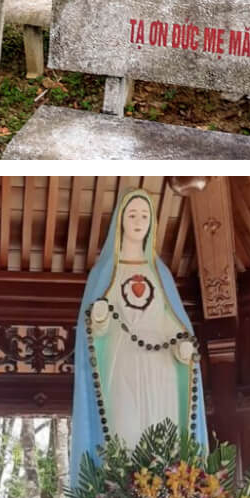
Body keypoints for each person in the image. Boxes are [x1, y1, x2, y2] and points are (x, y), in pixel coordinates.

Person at [71, 188, 206, 481]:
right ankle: (127, 497)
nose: (138, 221)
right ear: (120, 221)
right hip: (122, 362)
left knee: (163, 429)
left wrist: (182, 345)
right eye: (132, 214)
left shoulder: (160, 274)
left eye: (145, 215)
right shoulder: (105, 272)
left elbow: (170, 321)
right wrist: (100, 319)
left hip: (161, 368)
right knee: (125, 428)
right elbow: (92, 332)